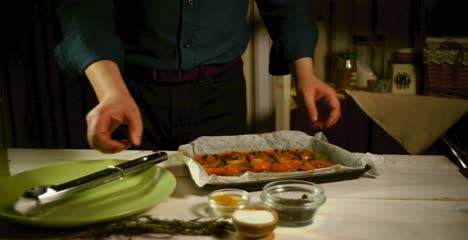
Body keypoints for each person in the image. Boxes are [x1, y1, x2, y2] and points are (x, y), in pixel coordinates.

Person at [54, 0, 341, 153]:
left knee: (222, 210)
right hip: (127, 95)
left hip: (221, 97)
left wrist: (306, 74)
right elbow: (84, 11)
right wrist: (111, 92)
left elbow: (286, 5)